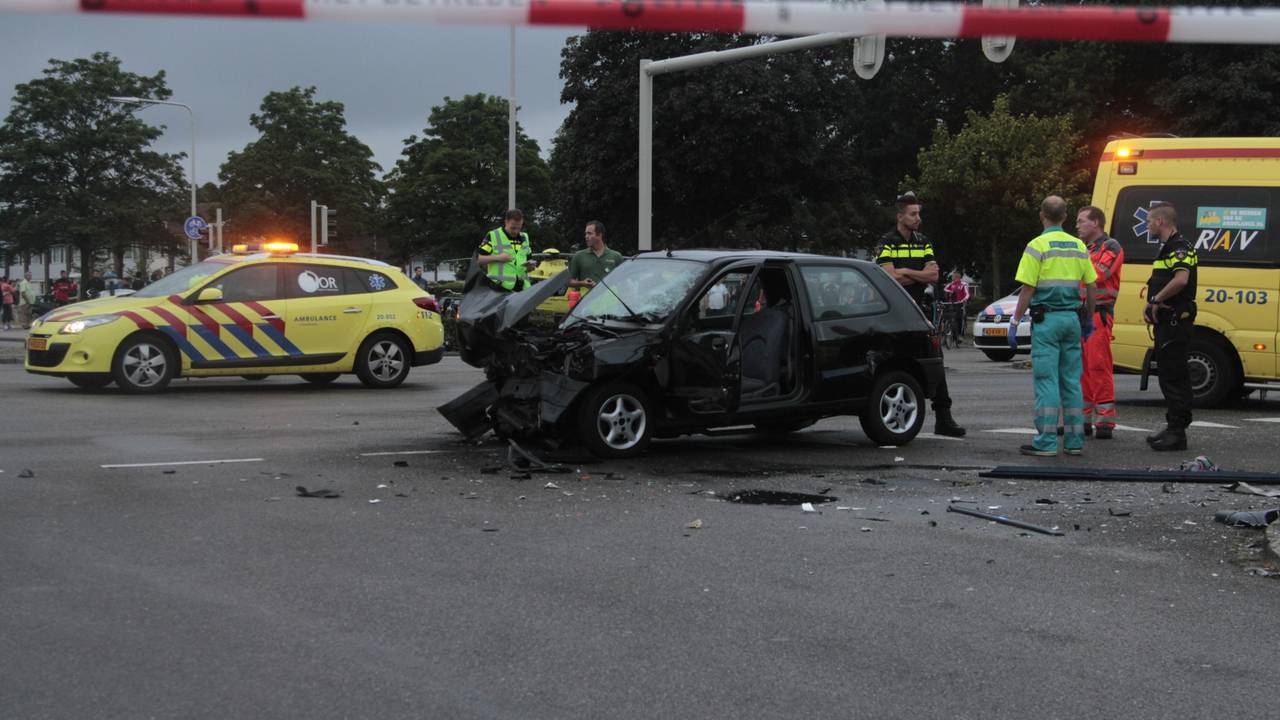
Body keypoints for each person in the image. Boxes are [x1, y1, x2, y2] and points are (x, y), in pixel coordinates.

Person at [1009, 196, 1097, 457]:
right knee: (1071, 380)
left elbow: (1028, 288)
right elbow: (1091, 286)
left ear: (1041, 215)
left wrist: (1015, 320)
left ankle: (1046, 442)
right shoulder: (1079, 246)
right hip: (1071, 319)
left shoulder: (1037, 246)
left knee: (1047, 381)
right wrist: (1088, 318)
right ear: (1066, 217)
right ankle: (1074, 441)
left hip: (1046, 321)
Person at [877, 192, 966, 437]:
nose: (918, 218)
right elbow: (888, 276)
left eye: (919, 214)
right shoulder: (887, 242)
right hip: (894, 311)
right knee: (893, 362)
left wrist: (904, 271)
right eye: (913, 214)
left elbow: (934, 275)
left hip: (919, 309)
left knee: (935, 358)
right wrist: (915, 272)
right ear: (900, 216)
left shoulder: (922, 241)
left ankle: (944, 417)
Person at [1143, 203, 1198, 452]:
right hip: (1167, 320)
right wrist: (1152, 303)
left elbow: (1181, 279)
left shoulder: (1179, 248)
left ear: (1161, 222)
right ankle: (1172, 426)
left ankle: (1178, 433)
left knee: (1174, 375)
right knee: (1167, 374)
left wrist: (1157, 299)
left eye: (1149, 222)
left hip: (1176, 320)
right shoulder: (1167, 248)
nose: (1147, 226)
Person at [1076, 205, 1124, 440]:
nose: (1077, 226)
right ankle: (1083, 419)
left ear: (1095, 223)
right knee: (1080, 368)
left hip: (1099, 313)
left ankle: (1105, 420)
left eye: (1081, 221)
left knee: (1098, 364)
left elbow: (1099, 273)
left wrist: (1072, 269)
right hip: (1081, 313)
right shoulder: (1083, 248)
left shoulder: (1110, 246)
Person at [476, 208, 535, 292]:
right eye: (513, 228)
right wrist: (498, 258)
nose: (516, 231)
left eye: (519, 228)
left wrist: (530, 267)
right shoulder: (493, 236)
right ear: (506, 222)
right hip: (499, 290)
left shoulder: (525, 237)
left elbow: (528, 260)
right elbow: (477, 259)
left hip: (522, 290)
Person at [568, 220, 624, 290]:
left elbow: (623, 281)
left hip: (611, 300)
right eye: (586, 234)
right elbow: (568, 282)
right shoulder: (579, 256)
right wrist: (582, 283)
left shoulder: (616, 256)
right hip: (587, 300)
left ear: (600, 235)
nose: (586, 236)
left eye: (589, 233)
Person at [943, 269, 970, 341]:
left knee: (959, 318)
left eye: (953, 277)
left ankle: (959, 335)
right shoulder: (950, 284)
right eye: (952, 277)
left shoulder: (963, 284)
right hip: (951, 304)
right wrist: (950, 291)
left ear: (957, 277)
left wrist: (964, 300)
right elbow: (945, 289)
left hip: (959, 304)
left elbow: (967, 294)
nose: (952, 278)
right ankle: (946, 335)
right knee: (946, 318)